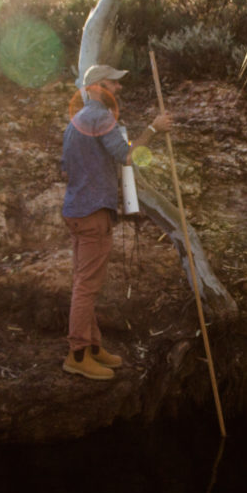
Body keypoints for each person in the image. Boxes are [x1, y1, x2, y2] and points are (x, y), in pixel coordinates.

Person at [60, 64, 173, 380]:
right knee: (87, 285)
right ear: (97, 87)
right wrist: (154, 129)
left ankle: (93, 348)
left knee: (85, 281)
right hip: (93, 214)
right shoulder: (101, 118)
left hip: (77, 211)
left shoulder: (76, 122)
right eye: (113, 83)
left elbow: (66, 166)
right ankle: (77, 354)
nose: (118, 88)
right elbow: (128, 157)